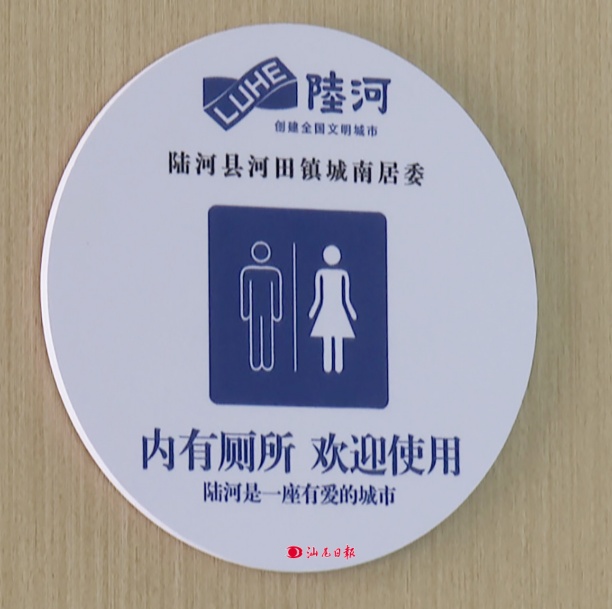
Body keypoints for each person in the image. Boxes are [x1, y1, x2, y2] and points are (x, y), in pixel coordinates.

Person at [308, 244, 357, 373]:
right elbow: (318, 297)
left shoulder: (343, 274)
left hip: (337, 309)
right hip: (327, 309)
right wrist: (313, 310)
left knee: (337, 338)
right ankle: (327, 366)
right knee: (327, 338)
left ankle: (338, 366)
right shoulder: (321, 274)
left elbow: (346, 297)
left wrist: (351, 311)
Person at [240, 241, 282, 372]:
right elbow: (246, 293)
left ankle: (260, 361)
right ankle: (262, 362)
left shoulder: (267, 273)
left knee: (259, 333)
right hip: (263, 309)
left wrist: (246, 312)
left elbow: (276, 293)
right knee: (262, 333)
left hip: (258, 309)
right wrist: (276, 313)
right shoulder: (252, 273)